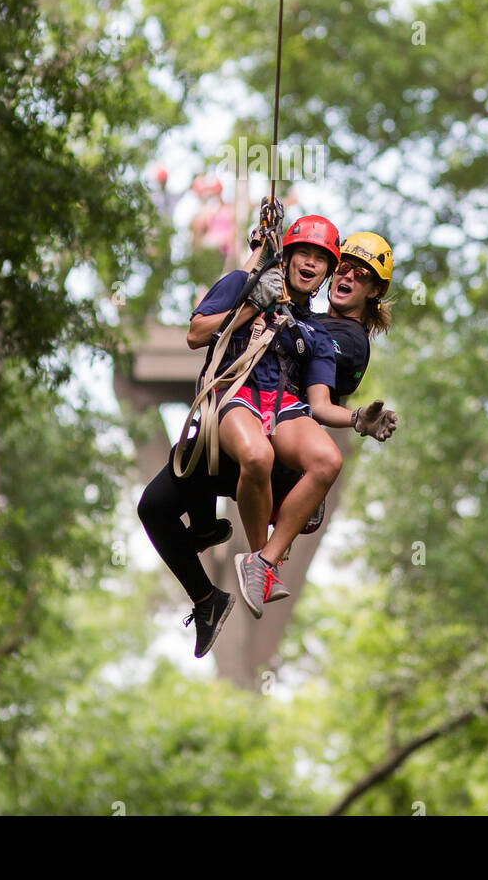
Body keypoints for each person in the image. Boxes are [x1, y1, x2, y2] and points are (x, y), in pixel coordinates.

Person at [137, 225, 396, 655]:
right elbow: (198, 334)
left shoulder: (328, 333)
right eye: (343, 268)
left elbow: (317, 401)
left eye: (357, 273)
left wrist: (355, 419)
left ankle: (259, 559)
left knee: (269, 456)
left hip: (277, 437)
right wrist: (255, 278)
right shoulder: (256, 291)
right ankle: (208, 583)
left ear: (373, 292)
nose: (317, 266)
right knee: (157, 505)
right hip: (235, 414)